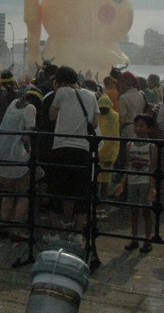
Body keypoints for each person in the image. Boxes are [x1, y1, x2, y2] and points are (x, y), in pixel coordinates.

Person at [47, 66, 100, 239]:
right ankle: (77, 234)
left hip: (62, 147)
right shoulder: (91, 95)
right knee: (80, 193)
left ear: (60, 81)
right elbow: (95, 122)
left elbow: (51, 116)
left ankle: (56, 233)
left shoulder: (62, 92)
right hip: (82, 150)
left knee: (57, 191)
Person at [0, 85, 41, 242]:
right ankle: (16, 230)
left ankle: (4, 226)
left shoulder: (13, 104)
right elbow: (27, 135)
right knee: (24, 193)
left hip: (0, 152)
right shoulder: (31, 109)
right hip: (17, 155)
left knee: (8, 192)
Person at [115, 114, 157, 253]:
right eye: (137, 125)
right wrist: (122, 183)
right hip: (132, 181)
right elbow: (127, 165)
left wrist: (152, 187)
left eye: (142, 125)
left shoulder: (152, 146)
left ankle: (147, 240)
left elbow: (152, 168)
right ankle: (134, 238)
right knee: (133, 211)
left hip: (145, 181)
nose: (138, 128)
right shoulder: (129, 144)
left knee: (145, 212)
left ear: (148, 128)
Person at [96, 94, 120, 216]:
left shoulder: (115, 116)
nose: (103, 110)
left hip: (108, 155)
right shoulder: (96, 115)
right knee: (95, 182)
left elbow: (116, 139)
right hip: (96, 153)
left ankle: (102, 207)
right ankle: (94, 206)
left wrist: (112, 157)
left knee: (105, 183)